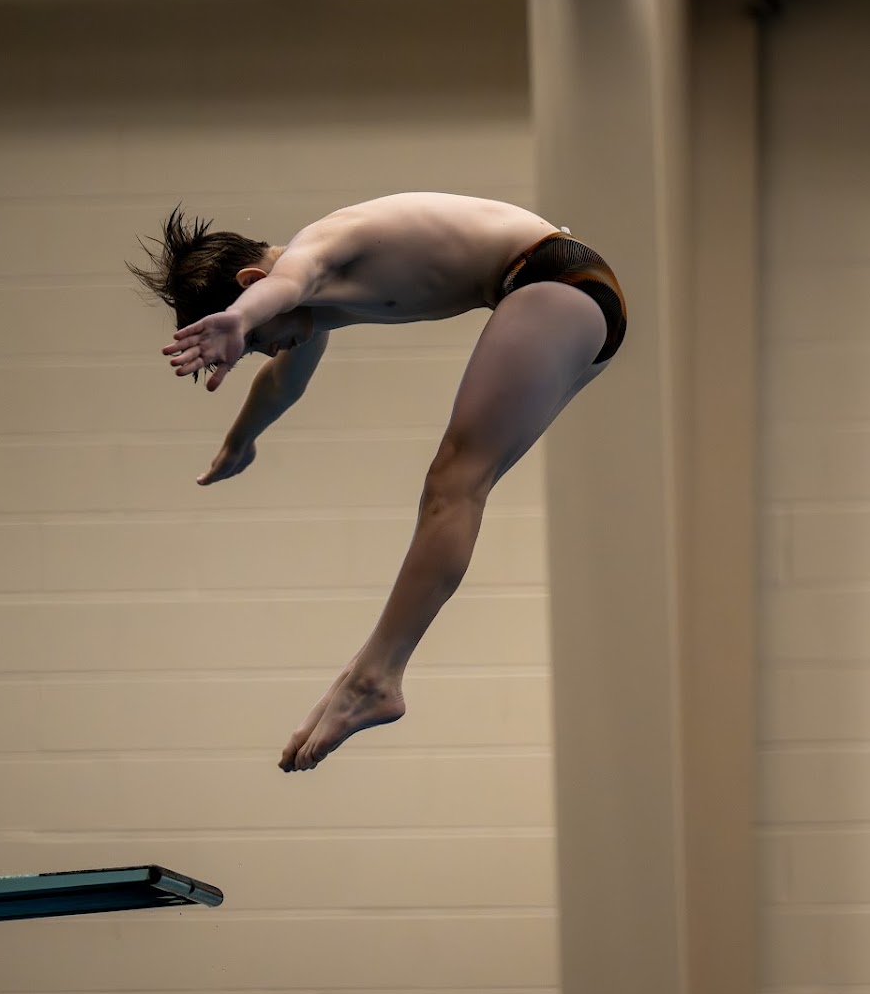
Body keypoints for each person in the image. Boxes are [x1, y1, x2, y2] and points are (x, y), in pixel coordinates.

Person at [128, 192, 626, 773]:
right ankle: (367, 671)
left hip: (554, 280)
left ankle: (377, 676)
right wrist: (241, 442)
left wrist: (239, 319)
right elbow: (283, 385)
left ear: (251, 283)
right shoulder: (312, 301)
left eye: (261, 339)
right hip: (577, 302)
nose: (271, 348)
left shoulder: (313, 252)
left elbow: (282, 288)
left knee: (453, 485)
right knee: (462, 486)